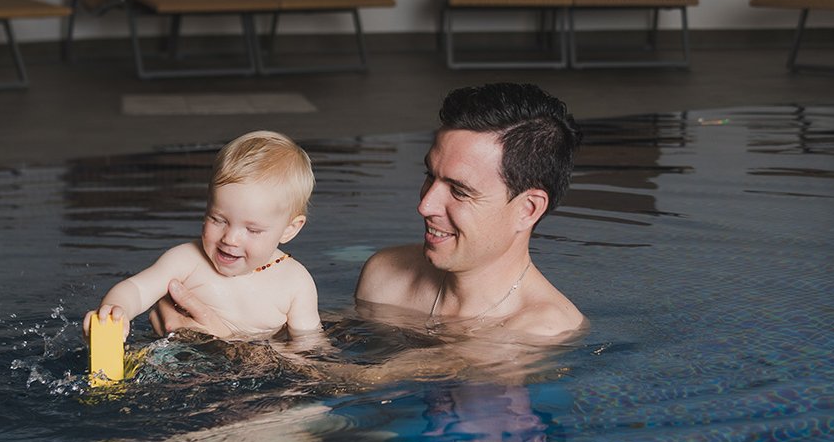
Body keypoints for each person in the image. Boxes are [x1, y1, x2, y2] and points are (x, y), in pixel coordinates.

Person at [150, 82, 585, 340]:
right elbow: (327, 362)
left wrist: (231, 342)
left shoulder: (540, 330)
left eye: (459, 190)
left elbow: (366, 386)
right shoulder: (386, 276)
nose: (425, 204)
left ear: (528, 209)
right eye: (429, 176)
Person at [82, 130, 321, 344]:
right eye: (218, 219)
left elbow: (308, 348)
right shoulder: (186, 260)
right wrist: (116, 309)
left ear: (290, 229)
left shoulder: (295, 283)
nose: (230, 239)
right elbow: (137, 289)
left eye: (253, 230)